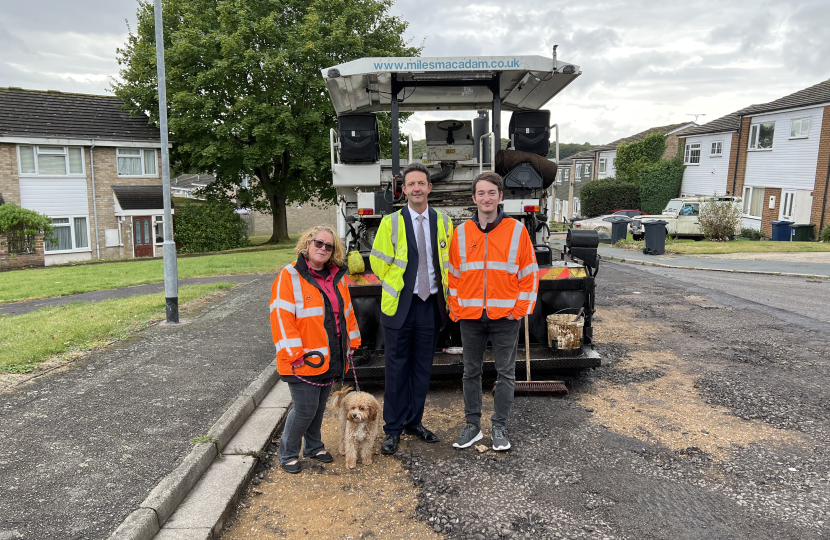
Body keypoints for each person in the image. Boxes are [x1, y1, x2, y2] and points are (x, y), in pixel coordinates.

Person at [448, 172, 539, 452]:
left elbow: (529, 274)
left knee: (506, 373)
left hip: (505, 318)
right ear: (473, 198)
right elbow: (453, 275)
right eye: (480, 193)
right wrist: (457, 310)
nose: (486, 198)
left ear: (500, 197)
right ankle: (473, 427)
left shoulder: (516, 231)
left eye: (491, 193)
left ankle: (499, 426)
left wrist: (518, 311)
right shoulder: (461, 232)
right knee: (470, 373)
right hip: (471, 318)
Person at [370, 163, 454, 455]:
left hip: (430, 307)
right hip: (400, 308)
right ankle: (392, 429)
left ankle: (414, 423)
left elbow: (448, 264)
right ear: (403, 190)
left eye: (422, 183)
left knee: (422, 371)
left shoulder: (444, 221)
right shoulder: (390, 222)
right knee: (395, 372)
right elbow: (379, 265)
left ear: (430, 188)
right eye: (411, 184)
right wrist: (401, 280)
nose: (417, 188)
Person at [270, 225, 361, 473]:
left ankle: (313, 446)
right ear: (307, 244)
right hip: (302, 360)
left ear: (334, 251)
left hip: (329, 357)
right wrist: (295, 354)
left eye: (328, 246)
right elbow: (281, 318)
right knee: (304, 409)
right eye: (318, 243)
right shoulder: (289, 276)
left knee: (318, 407)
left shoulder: (336, 278)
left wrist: (352, 342)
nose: (323, 248)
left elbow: (347, 313)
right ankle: (288, 453)